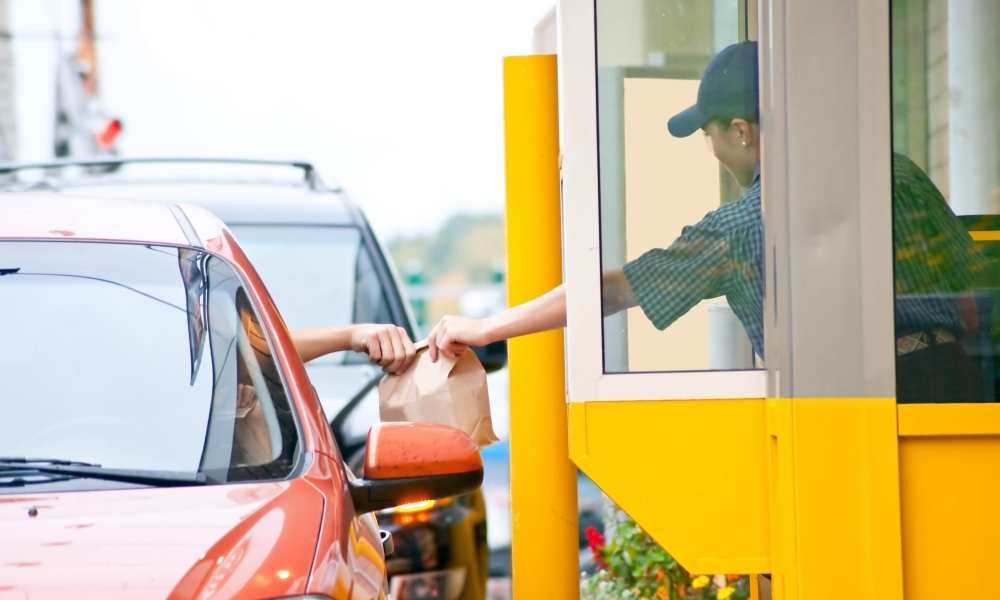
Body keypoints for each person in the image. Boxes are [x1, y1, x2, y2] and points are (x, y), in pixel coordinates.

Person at [426, 40, 988, 404]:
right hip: (961, 394)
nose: (712, 151)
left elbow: (618, 289)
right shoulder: (898, 173)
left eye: (709, 135)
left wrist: (485, 328)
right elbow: (972, 293)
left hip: (844, 411)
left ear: (742, 131)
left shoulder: (745, 225)